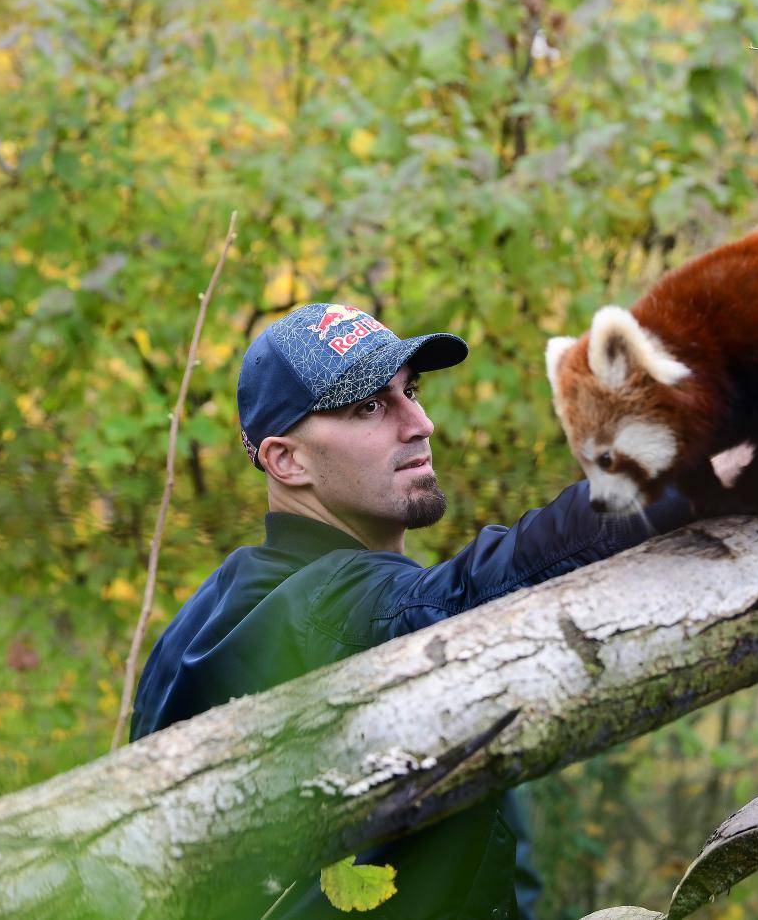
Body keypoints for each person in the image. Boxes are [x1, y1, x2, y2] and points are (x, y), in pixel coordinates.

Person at [131, 303, 695, 920]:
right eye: (368, 407)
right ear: (285, 460)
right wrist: (683, 478)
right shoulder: (328, 604)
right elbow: (468, 595)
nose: (420, 423)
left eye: (411, 392)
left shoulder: (202, 619)